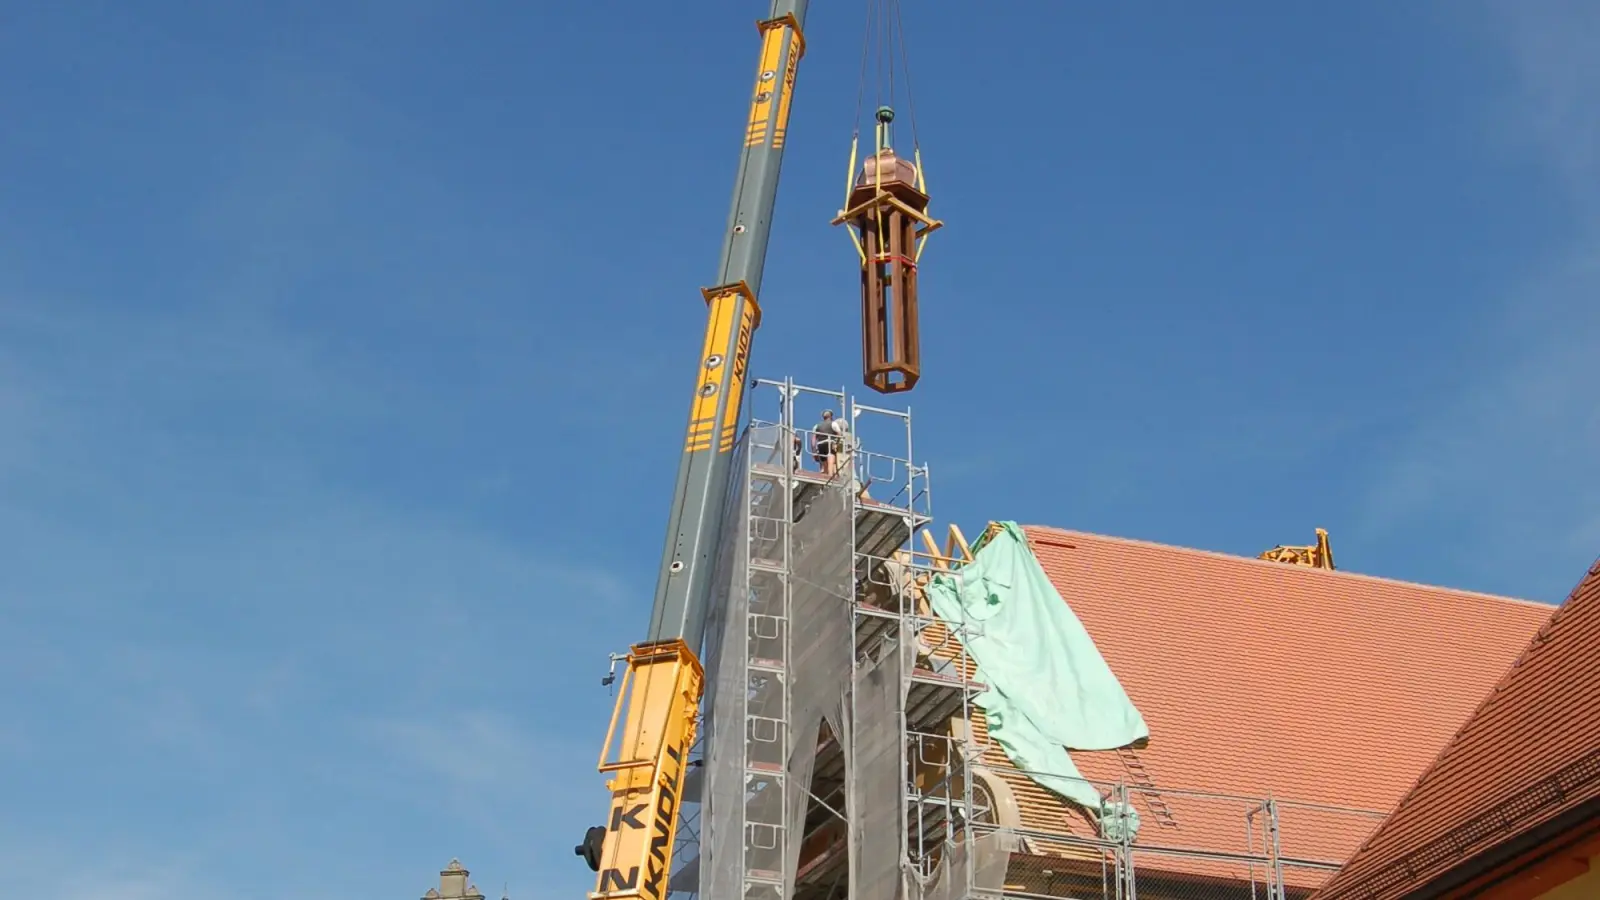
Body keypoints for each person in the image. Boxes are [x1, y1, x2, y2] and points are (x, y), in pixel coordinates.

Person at [810, 409, 848, 477]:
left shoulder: (817, 426)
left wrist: (814, 451)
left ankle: (825, 474)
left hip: (820, 445)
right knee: (831, 455)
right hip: (830, 443)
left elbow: (813, 439)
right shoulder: (833, 424)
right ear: (831, 416)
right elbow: (839, 434)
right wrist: (836, 443)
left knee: (824, 460)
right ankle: (830, 475)